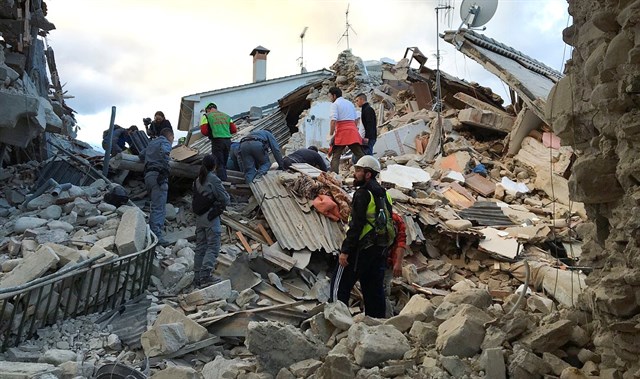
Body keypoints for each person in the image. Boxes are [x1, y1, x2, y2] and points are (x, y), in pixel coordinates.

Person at [330, 155, 392, 318]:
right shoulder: (384, 194)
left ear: (368, 174)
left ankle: (337, 319)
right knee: (373, 289)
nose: (354, 173)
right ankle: (376, 322)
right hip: (379, 249)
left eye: (358, 170)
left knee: (339, 284)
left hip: (361, 248)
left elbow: (356, 225)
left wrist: (345, 251)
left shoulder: (363, 194)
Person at [193, 154, 230, 287]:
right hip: (211, 216)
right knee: (213, 246)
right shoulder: (213, 179)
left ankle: (197, 276)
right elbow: (225, 198)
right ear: (214, 166)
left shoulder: (197, 180)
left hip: (199, 218)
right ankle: (205, 276)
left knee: (200, 246)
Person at [139, 128, 173, 246]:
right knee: (159, 207)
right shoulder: (165, 142)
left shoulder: (152, 143)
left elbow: (141, 155)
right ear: (170, 136)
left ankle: (150, 232)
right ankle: (156, 236)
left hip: (148, 176)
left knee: (154, 205)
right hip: (158, 176)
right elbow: (165, 152)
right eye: (172, 139)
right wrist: (165, 168)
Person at [328, 87, 365, 173]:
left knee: (336, 155)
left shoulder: (335, 105)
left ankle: (334, 175)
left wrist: (331, 133)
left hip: (342, 131)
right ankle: (369, 168)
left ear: (334, 95)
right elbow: (356, 120)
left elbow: (333, 120)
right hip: (352, 130)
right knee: (360, 154)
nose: (330, 98)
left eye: (330, 96)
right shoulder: (350, 103)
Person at [201, 103, 235, 181]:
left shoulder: (206, 116)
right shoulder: (227, 116)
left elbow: (204, 131)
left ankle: (222, 183)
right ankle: (225, 179)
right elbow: (233, 130)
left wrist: (212, 132)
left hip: (217, 141)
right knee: (224, 163)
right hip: (228, 141)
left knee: (219, 164)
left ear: (208, 109)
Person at [384, 212, 406, 317]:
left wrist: (398, 263)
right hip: (372, 261)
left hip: (386, 262)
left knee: (383, 291)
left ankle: (386, 318)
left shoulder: (396, 219)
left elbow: (401, 242)